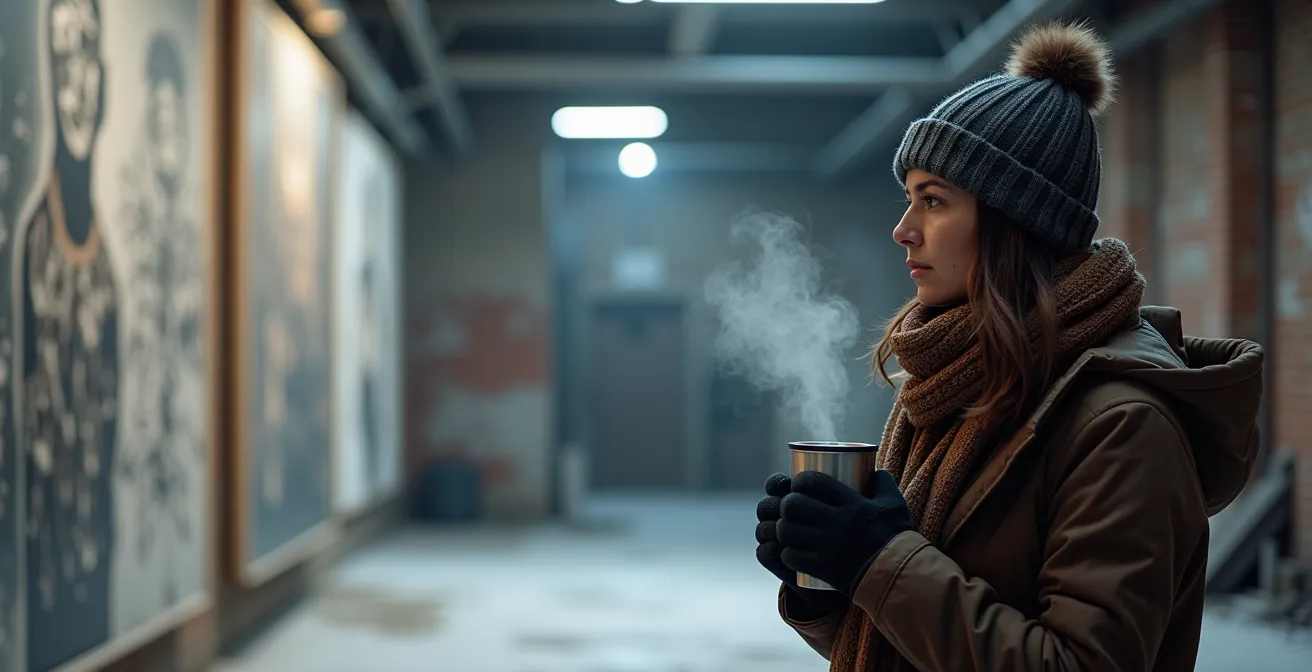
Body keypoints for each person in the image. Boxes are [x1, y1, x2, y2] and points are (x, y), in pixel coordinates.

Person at [754, 21, 1264, 672]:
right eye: (909, 199)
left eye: (932, 201)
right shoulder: (958, 382)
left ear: (1013, 220)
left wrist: (878, 560)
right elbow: (906, 644)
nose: (902, 230)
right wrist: (820, 579)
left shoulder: (1124, 423)